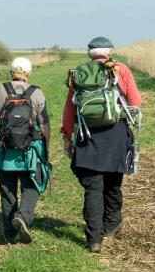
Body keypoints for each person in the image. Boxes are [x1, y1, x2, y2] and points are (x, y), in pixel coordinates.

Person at [61, 37, 142, 253]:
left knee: (93, 188)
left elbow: (70, 109)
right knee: (114, 183)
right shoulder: (120, 69)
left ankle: (94, 239)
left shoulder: (79, 72)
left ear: (90, 53)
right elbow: (135, 102)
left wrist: (67, 136)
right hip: (116, 134)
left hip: (88, 137)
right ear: (110, 51)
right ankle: (111, 225)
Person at [0, 57, 51, 244]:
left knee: (7, 190)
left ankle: (10, 233)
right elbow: (45, 125)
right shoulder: (36, 93)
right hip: (29, 152)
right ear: (28, 73)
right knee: (32, 185)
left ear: (11, 72)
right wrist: (46, 148)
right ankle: (24, 217)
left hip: (3, 153)